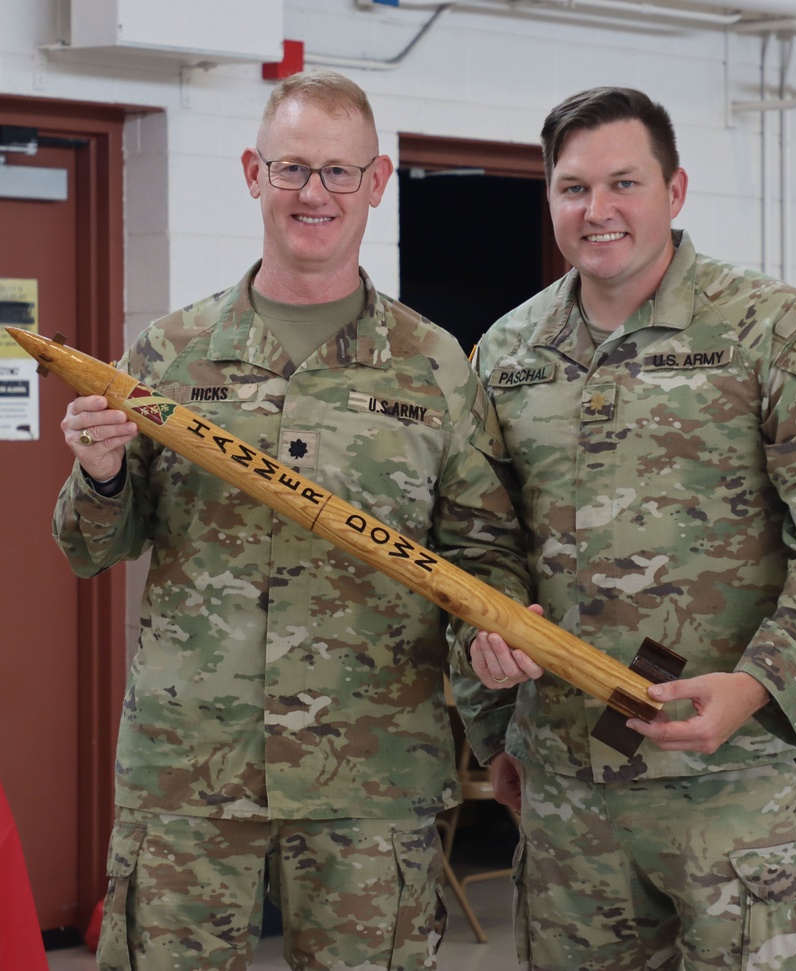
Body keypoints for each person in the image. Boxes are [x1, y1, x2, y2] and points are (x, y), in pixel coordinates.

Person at [53, 69, 530, 971]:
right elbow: (92, 549)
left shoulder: (434, 366)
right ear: (251, 171)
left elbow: (484, 551)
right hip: (192, 760)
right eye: (292, 167)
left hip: (373, 763)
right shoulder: (170, 352)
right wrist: (101, 472)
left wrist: (496, 652)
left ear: (377, 182)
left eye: (340, 172)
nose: (315, 194)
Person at [449, 86, 796, 971]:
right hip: (568, 795)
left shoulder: (778, 335)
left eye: (624, 184)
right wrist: (491, 705)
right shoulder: (506, 355)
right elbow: (481, 546)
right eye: (572, 188)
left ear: (674, 191)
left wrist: (759, 685)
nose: (597, 211)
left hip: (729, 789)